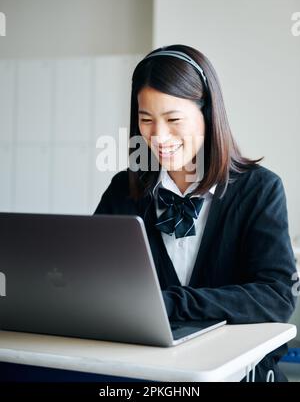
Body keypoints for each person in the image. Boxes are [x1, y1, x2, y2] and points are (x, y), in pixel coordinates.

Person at [94, 44, 297, 382]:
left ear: (208, 114)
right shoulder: (123, 190)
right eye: (146, 120)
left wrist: (169, 304)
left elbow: (276, 296)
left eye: (174, 119)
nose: (158, 136)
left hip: (237, 372)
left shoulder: (260, 190)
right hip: (148, 372)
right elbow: (90, 280)